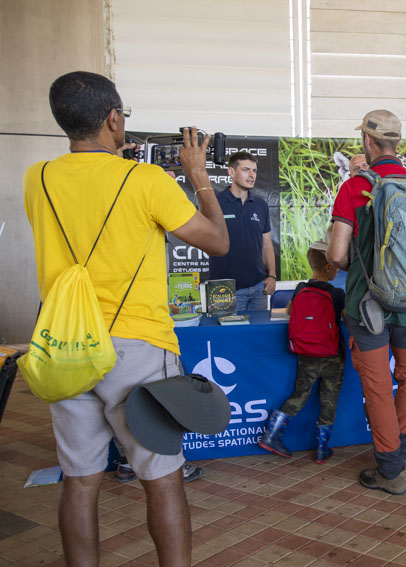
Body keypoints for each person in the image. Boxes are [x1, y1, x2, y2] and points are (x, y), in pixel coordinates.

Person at [23, 71, 228, 566]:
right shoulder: (147, 180)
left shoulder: (38, 177)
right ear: (113, 118)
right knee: (160, 479)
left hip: (66, 347)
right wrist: (199, 178)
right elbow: (217, 242)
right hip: (136, 346)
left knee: (80, 481)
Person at [327, 109, 406, 495]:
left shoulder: (355, 189)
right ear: (398, 143)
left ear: (368, 142)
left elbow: (337, 256)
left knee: (378, 387)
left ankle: (391, 471)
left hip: (367, 305)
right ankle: (404, 454)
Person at [259, 244, 346, 464]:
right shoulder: (336, 294)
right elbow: (346, 316)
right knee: (329, 399)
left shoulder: (300, 288)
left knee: (299, 395)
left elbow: (290, 310)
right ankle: (322, 448)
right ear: (328, 268)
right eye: (335, 266)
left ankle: (271, 434)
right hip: (332, 355)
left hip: (306, 353)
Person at [208, 151, 276, 311]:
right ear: (231, 172)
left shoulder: (260, 205)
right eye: (246, 170)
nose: (252, 175)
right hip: (224, 290)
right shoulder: (215, 203)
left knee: (256, 336)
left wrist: (272, 275)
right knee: (225, 336)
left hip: (259, 289)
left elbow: (267, 244)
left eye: (254, 171)